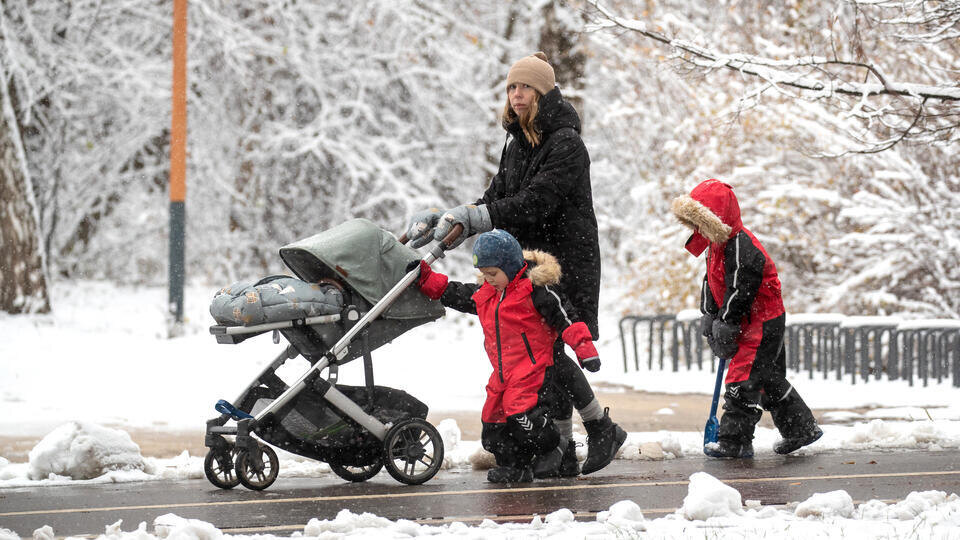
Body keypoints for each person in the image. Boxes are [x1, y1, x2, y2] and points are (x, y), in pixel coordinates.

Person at [405, 52, 625, 476]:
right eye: (510, 87)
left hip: (562, 261)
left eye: (524, 87)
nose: (516, 94)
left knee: (552, 354)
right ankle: (564, 448)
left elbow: (538, 202)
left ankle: (598, 428)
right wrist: (455, 217)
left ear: (542, 93)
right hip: (527, 260)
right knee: (541, 356)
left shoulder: (566, 144)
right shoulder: (517, 142)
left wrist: (480, 217)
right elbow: (497, 197)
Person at [411, 229, 601, 482]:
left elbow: (566, 319)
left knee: (524, 419)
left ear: (510, 267)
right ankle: (514, 466)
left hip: (534, 371)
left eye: (493, 274)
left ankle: (557, 446)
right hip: (503, 375)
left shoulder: (536, 292)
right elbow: (454, 292)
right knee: (493, 425)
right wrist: (426, 279)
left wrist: (585, 349)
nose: (488, 279)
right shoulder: (487, 295)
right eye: (484, 274)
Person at [671, 178, 823, 458]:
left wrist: (727, 322)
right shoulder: (716, 245)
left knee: (743, 378)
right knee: (767, 378)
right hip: (749, 320)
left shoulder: (742, 247)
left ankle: (735, 440)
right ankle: (801, 429)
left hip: (763, 321)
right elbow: (712, 282)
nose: (696, 229)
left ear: (715, 219)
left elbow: (741, 289)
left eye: (699, 222)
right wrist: (710, 314)